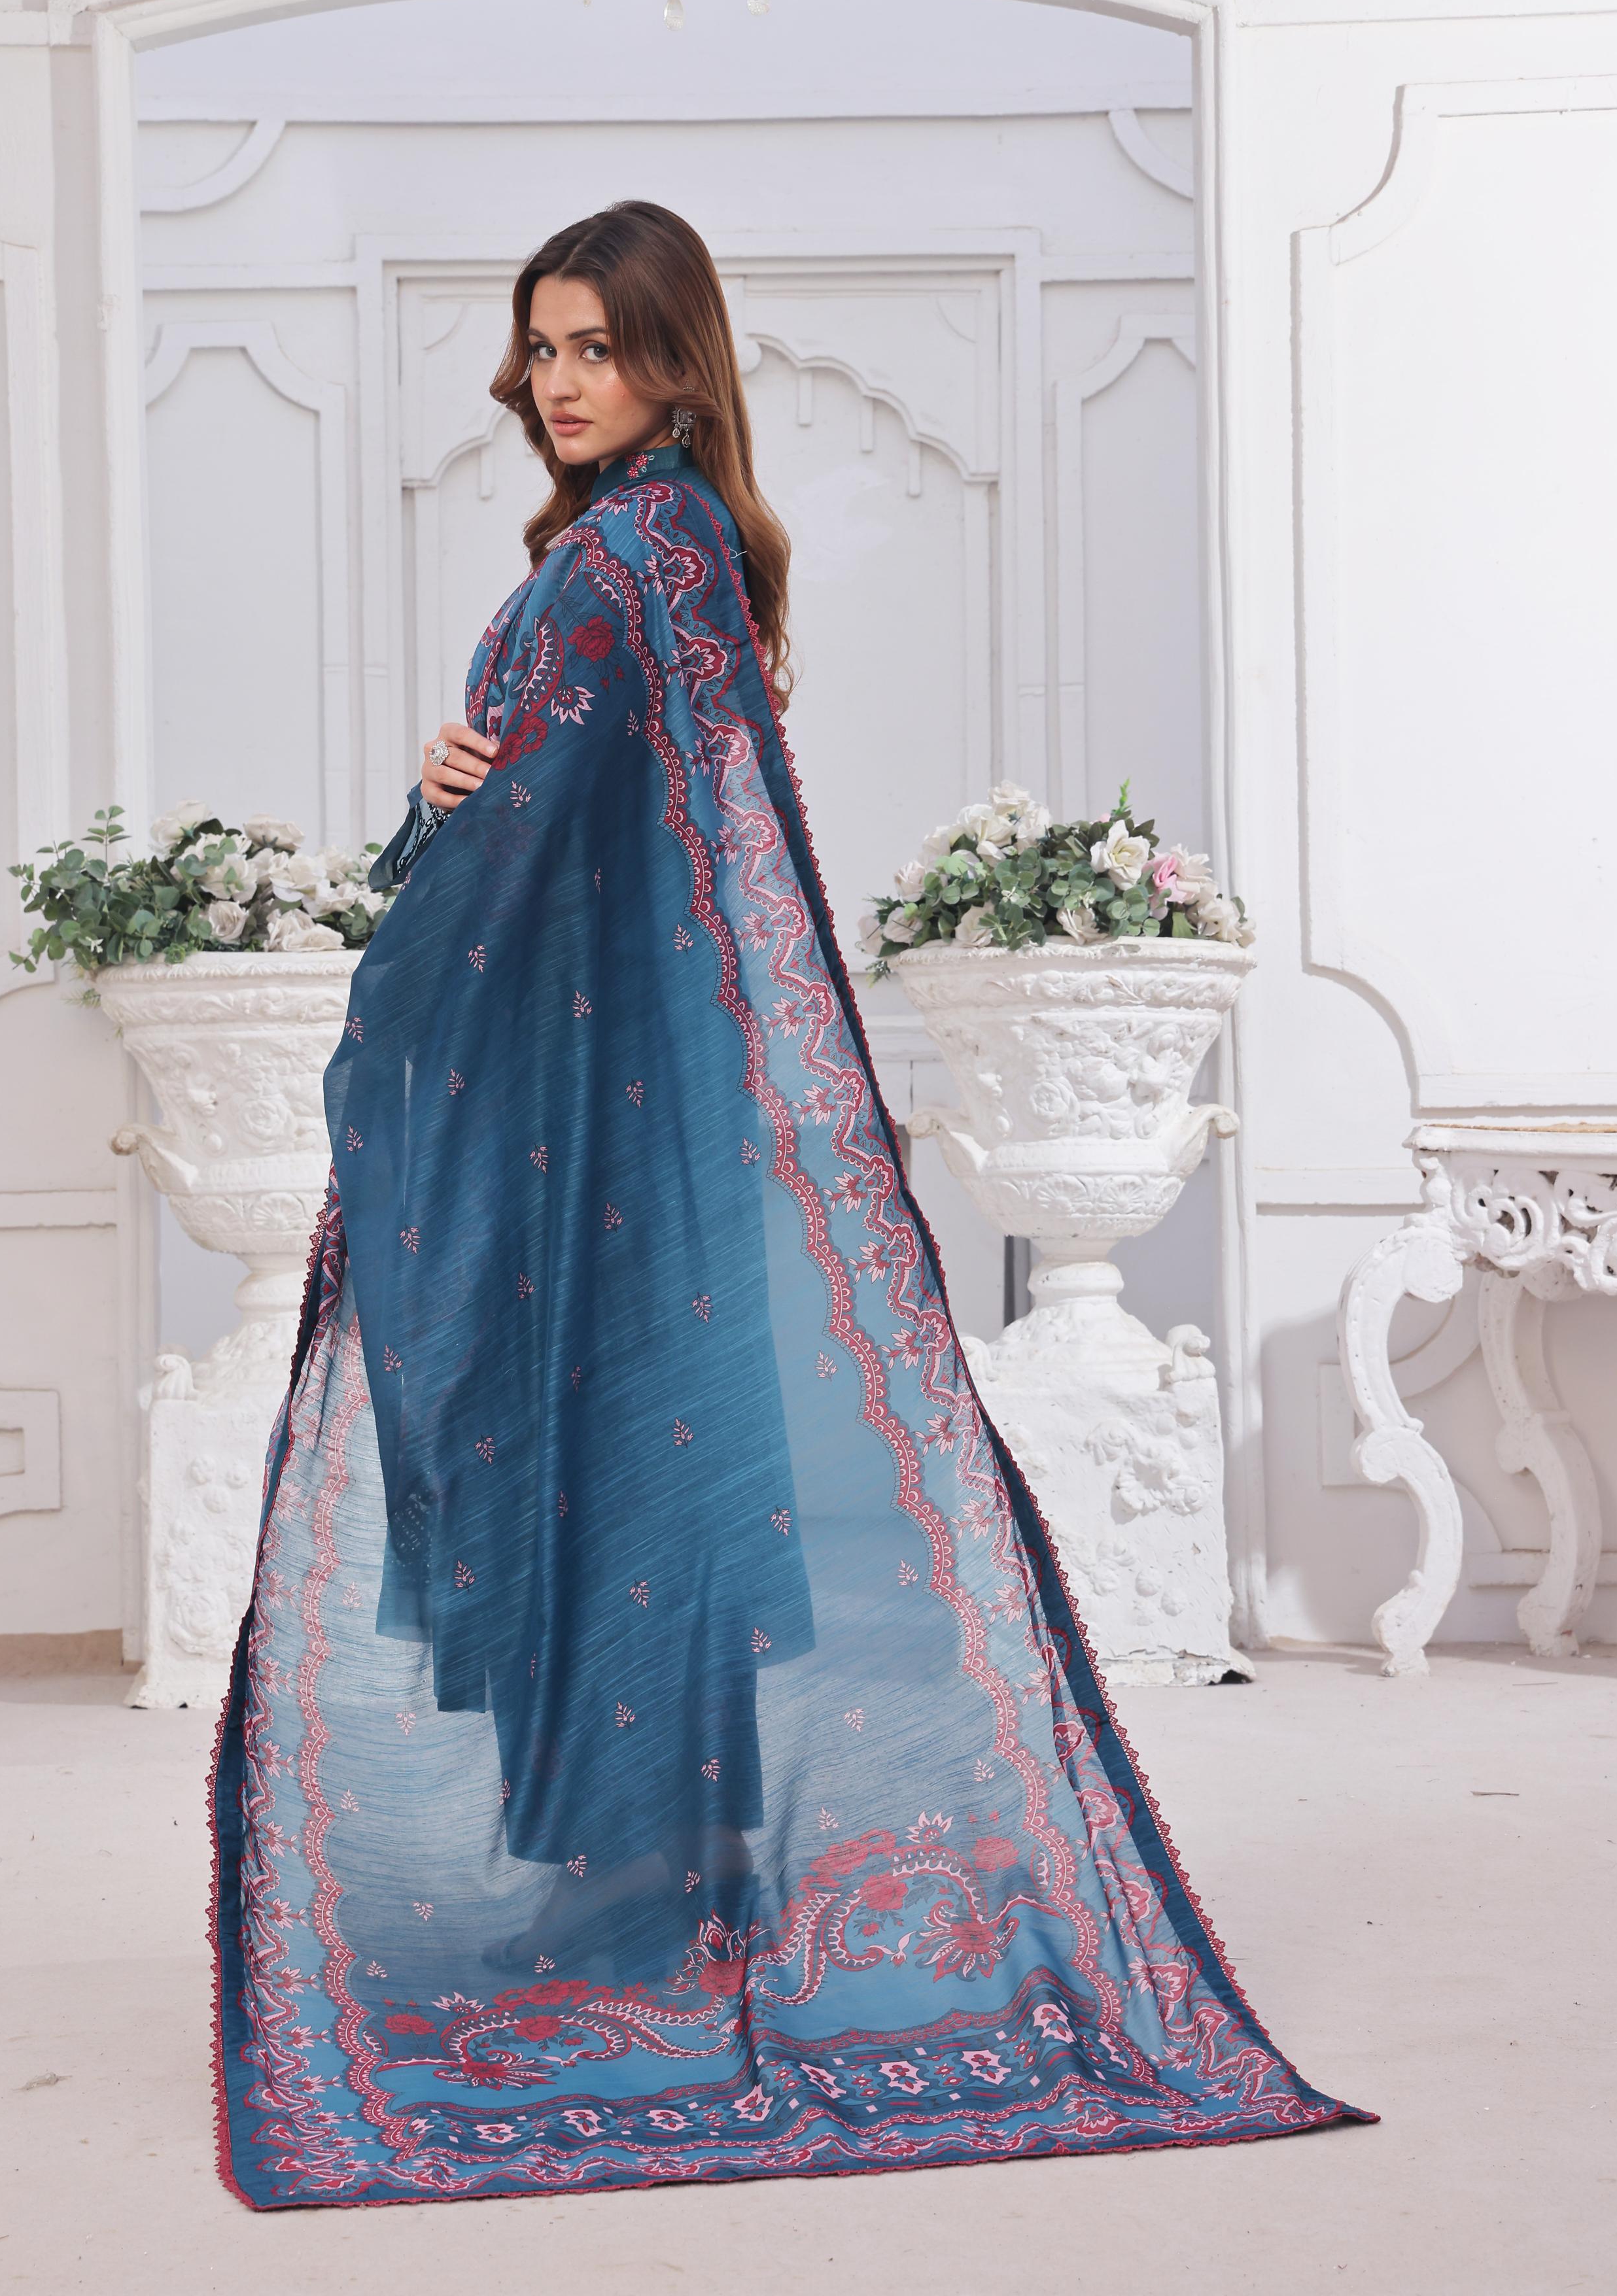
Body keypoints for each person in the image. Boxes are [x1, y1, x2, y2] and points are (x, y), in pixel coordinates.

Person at [211, 199, 1366, 2208]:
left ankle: (641, 1915)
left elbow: (536, 852)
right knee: (625, 1492)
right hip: (627, 1122)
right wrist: (444, 792)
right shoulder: (663, 551)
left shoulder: (627, 561)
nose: (558, 382)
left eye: (594, 346)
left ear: (675, 360)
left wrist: (432, 864)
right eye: (540, 348)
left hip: (598, 1132)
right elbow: (556, 816)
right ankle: (639, 1902)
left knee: (604, 1489)